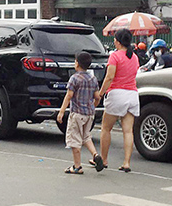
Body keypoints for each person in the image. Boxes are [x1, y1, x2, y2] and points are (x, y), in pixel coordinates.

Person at [99, 28, 140, 172]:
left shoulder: (115, 56)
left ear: (118, 41)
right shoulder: (134, 57)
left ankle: (103, 159)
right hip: (132, 95)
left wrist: (100, 93)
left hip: (117, 94)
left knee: (106, 128)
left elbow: (109, 77)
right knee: (128, 131)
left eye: (115, 39)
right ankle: (126, 162)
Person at [57, 51, 103, 174]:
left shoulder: (74, 78)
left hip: (77, 113)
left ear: (77, 63)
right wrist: (93, 106)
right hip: (89, 114)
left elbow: (69, 96)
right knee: (86, 136)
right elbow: (97, 97)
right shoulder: (93, 79)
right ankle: (95, 155)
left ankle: (77, 166)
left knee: (75, 140)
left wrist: (61, 112)